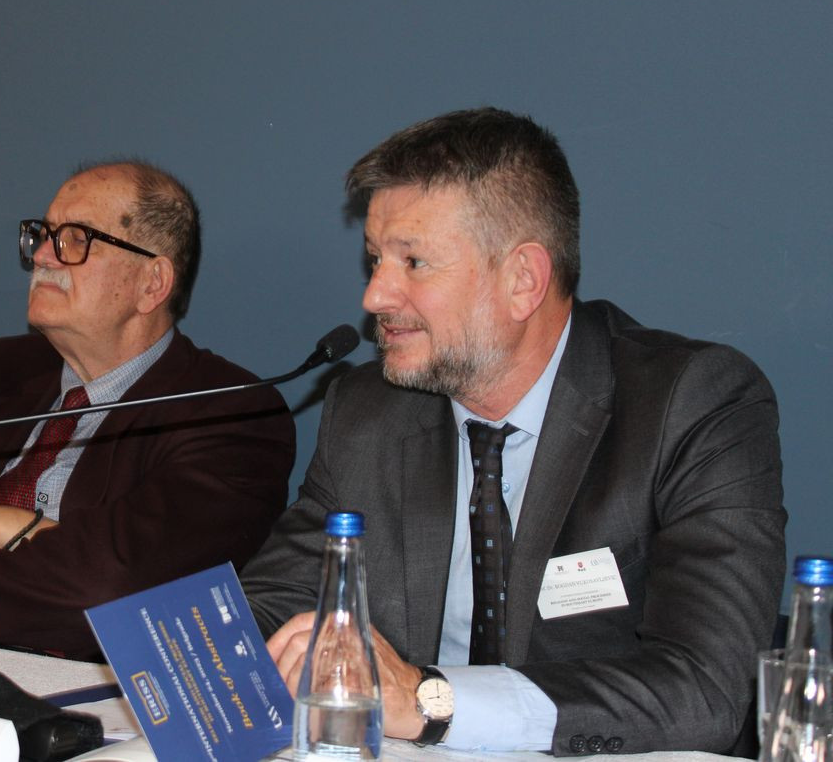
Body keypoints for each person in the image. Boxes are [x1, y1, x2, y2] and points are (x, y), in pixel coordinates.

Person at [242, 108, 785, 755]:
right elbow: (274, 603)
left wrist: (428, 698)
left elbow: (707, 689)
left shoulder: (689, 403)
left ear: (523, 280)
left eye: (413, 261)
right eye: (375, 260)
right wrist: (187, 653)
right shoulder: (368, 411)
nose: (375, 296)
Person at [0, 160, 295, 661]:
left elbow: (107, 587)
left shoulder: (229, 413)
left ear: (152, 283)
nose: (42, 255)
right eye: (43, 235)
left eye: (76, 239)